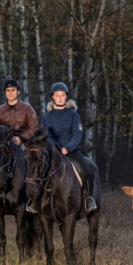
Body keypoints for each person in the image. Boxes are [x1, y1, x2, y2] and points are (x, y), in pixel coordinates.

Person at [27, 82, 96, 213]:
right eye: (57, 95)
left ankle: (89, 198)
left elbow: (77, 134)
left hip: (71, 152)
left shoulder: (73, 115)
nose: (59, 98)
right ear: (52, 97)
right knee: (37, 171)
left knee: (87, 170)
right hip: (52, 153)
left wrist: (67, 148)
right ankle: (34, 201)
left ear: (66, 97)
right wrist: (55, 148)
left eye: (62, 95)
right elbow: (44, 136)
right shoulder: (47, 117)